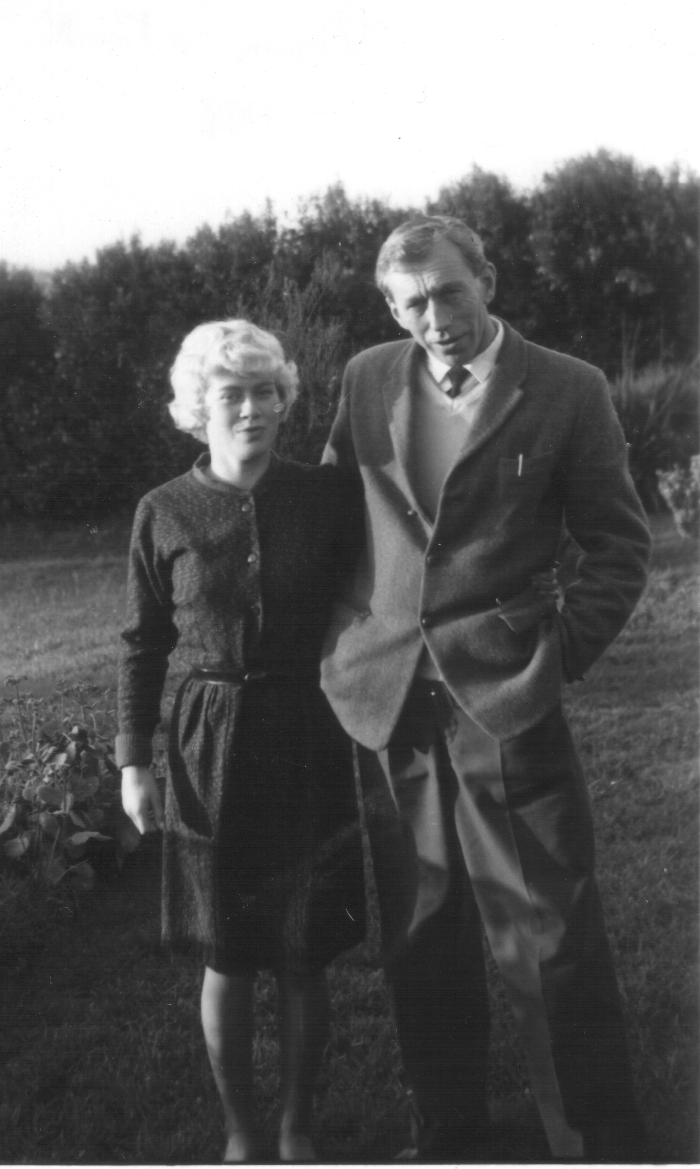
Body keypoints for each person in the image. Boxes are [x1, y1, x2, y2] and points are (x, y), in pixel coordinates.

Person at [320, 216, 651, 1161]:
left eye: (449, 292)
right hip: (390, 703)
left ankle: (594, 1138)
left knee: (550, 927)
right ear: (392, 309)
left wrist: (558, 653)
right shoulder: (367, 377)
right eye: (411, 303)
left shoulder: (568, 387)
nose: (435, 317)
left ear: (489, 281)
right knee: (421, 929)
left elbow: (619, 546)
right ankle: (450, 1132)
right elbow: (336, 511)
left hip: (506, 700)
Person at [117, 320, 365, 1163]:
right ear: (200, 406)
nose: (254, 408)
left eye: (267, 392)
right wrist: (133, 762)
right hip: (206, 746)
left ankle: (296, 1126)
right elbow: (142, 643)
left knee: (303, 949)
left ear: (284, 398)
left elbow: (370, 598)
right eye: (233, 395)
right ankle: (242, 1130)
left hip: (307, 735)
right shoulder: (162, 511)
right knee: (226, 951)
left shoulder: (326, 496)